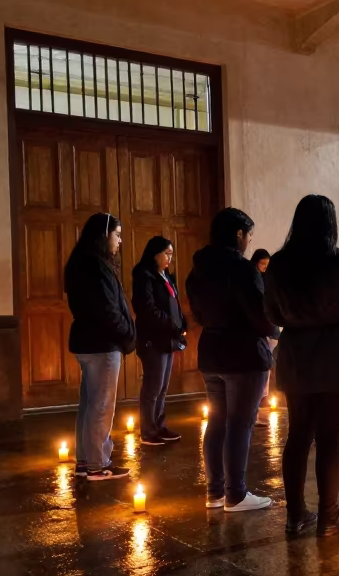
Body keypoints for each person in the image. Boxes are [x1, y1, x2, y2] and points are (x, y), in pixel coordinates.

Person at [265, 195, 339, 536]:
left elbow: (271, 312)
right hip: (335, 357)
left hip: (296, 355)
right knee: (330, 439)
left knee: (297, 436)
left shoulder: (279, 263)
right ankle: (329, 517)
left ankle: (295, 515)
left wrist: (297, 325)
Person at [186, 207, 276, 512]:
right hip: (244, 354)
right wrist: (274, 330)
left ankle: (215, 493)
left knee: (218, 422)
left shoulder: (199, 269)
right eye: (248, 235)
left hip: (212, 351)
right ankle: (236, 494)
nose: (249, 241)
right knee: (240, 424)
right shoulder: (242, 269)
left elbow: (196, 312)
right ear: (239, 234)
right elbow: (260, 313)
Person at [65, 212, 135, 481]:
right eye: (117, 235)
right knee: (102, 405)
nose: (119, 241)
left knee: (89, 404)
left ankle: (85, 460)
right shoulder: (95, 265)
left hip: (87, 342)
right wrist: (128, 335)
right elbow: (108, 310)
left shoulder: (79, 262)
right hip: (102, 344)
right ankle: (98, 464)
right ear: (103, 235)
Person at [131, 236, 187, 447]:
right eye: (166, 254)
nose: (169, 259)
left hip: (168, 338)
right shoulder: (143, 274)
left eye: (171, 254)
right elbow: (147, 309)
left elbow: (174, 303)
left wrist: (182, 323)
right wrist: (172, 326)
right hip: (152, 338)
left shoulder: (165, 275)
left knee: (163, 387)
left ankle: (159, 425)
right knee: (152, 387)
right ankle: (148, 430)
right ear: (154, 254)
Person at [249, 248, 279, 424]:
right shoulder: (252, 279)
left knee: (267, 366)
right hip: (259, 329)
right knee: (259, 367)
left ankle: (264, 396)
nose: (265, 268)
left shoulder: (268, 280)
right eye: (262, 264)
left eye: (268, 265)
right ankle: (257, 400)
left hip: (270, 327)